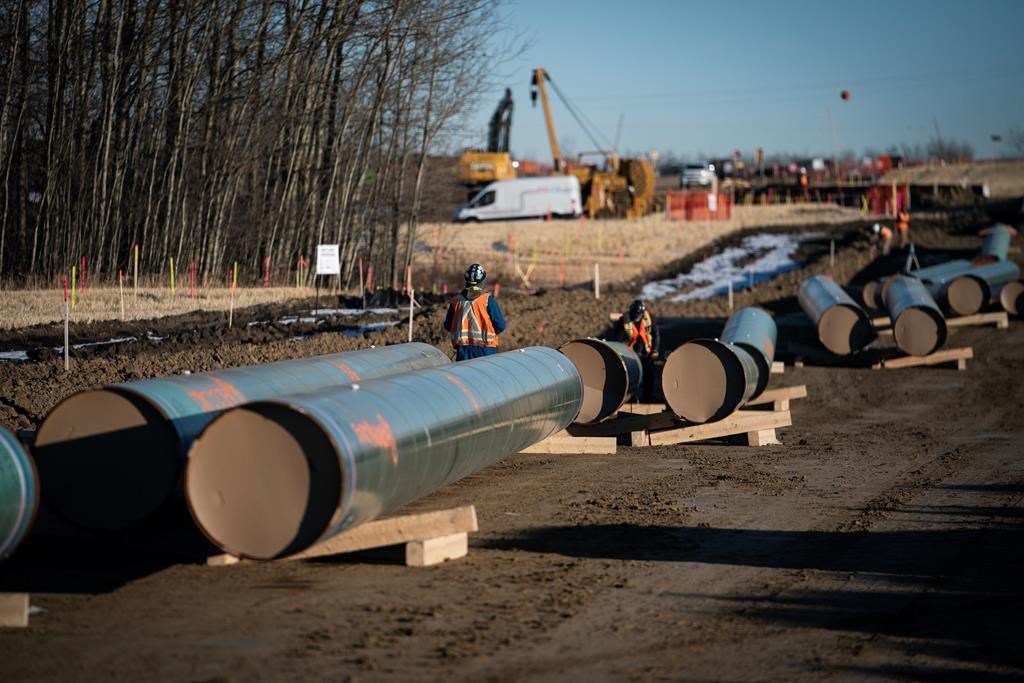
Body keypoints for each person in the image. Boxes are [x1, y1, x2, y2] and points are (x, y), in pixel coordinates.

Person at [444, 263, 507, 361]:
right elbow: (501, 325)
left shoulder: (456, 301)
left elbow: (448, 326)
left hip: (463, 352)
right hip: (486, 351)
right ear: (482, 281)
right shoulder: (488, 300)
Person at [616, 299, 660, 402]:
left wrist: (655, 350)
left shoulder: (649, 319)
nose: (636, 317)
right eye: (634, 315)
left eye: (638, 315)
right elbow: (618, 340)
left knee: (649, 379)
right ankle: (632, 400)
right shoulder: (623, 321)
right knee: (632, 380)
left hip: (647, 354)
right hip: (631, 356)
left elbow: (656, 334)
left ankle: (648, 400)